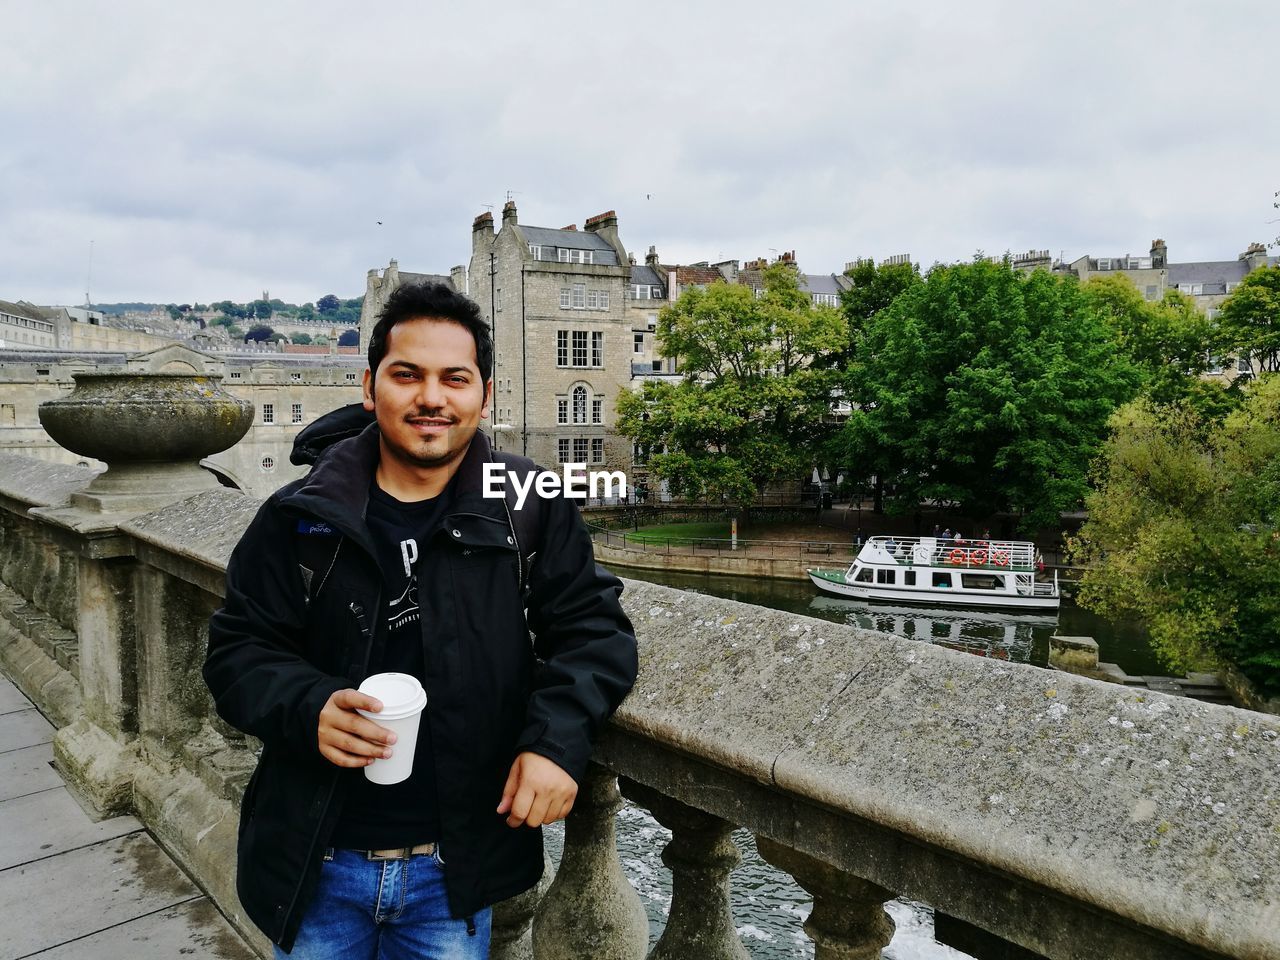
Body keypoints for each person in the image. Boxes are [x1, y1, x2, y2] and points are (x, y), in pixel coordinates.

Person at [203, 282, 638, 958]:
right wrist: (308, 704)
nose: (431, 398)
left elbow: (594, 631)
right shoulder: (298, 516)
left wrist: (556, 742)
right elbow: (236, 652)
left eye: (454, 379)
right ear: (370, 386)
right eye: (407, 375)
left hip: (453, 869)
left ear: (483, 395)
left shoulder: (528, 504)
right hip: (318, 861)